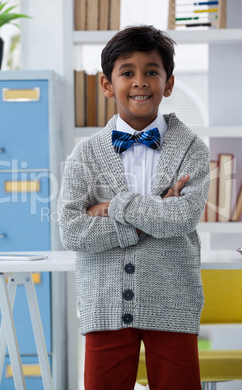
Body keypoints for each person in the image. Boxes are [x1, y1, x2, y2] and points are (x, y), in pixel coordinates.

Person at [58, 25, 210, 390]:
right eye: (127, 72)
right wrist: (152, 212)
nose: (140, 81)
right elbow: (72, 230)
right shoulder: (85, 153)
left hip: (173, 299)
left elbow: (183, 217)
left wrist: (113, 206)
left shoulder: (192, 149)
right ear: (107, 84)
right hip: (104, 303)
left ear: (168, 84)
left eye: (151, 72)